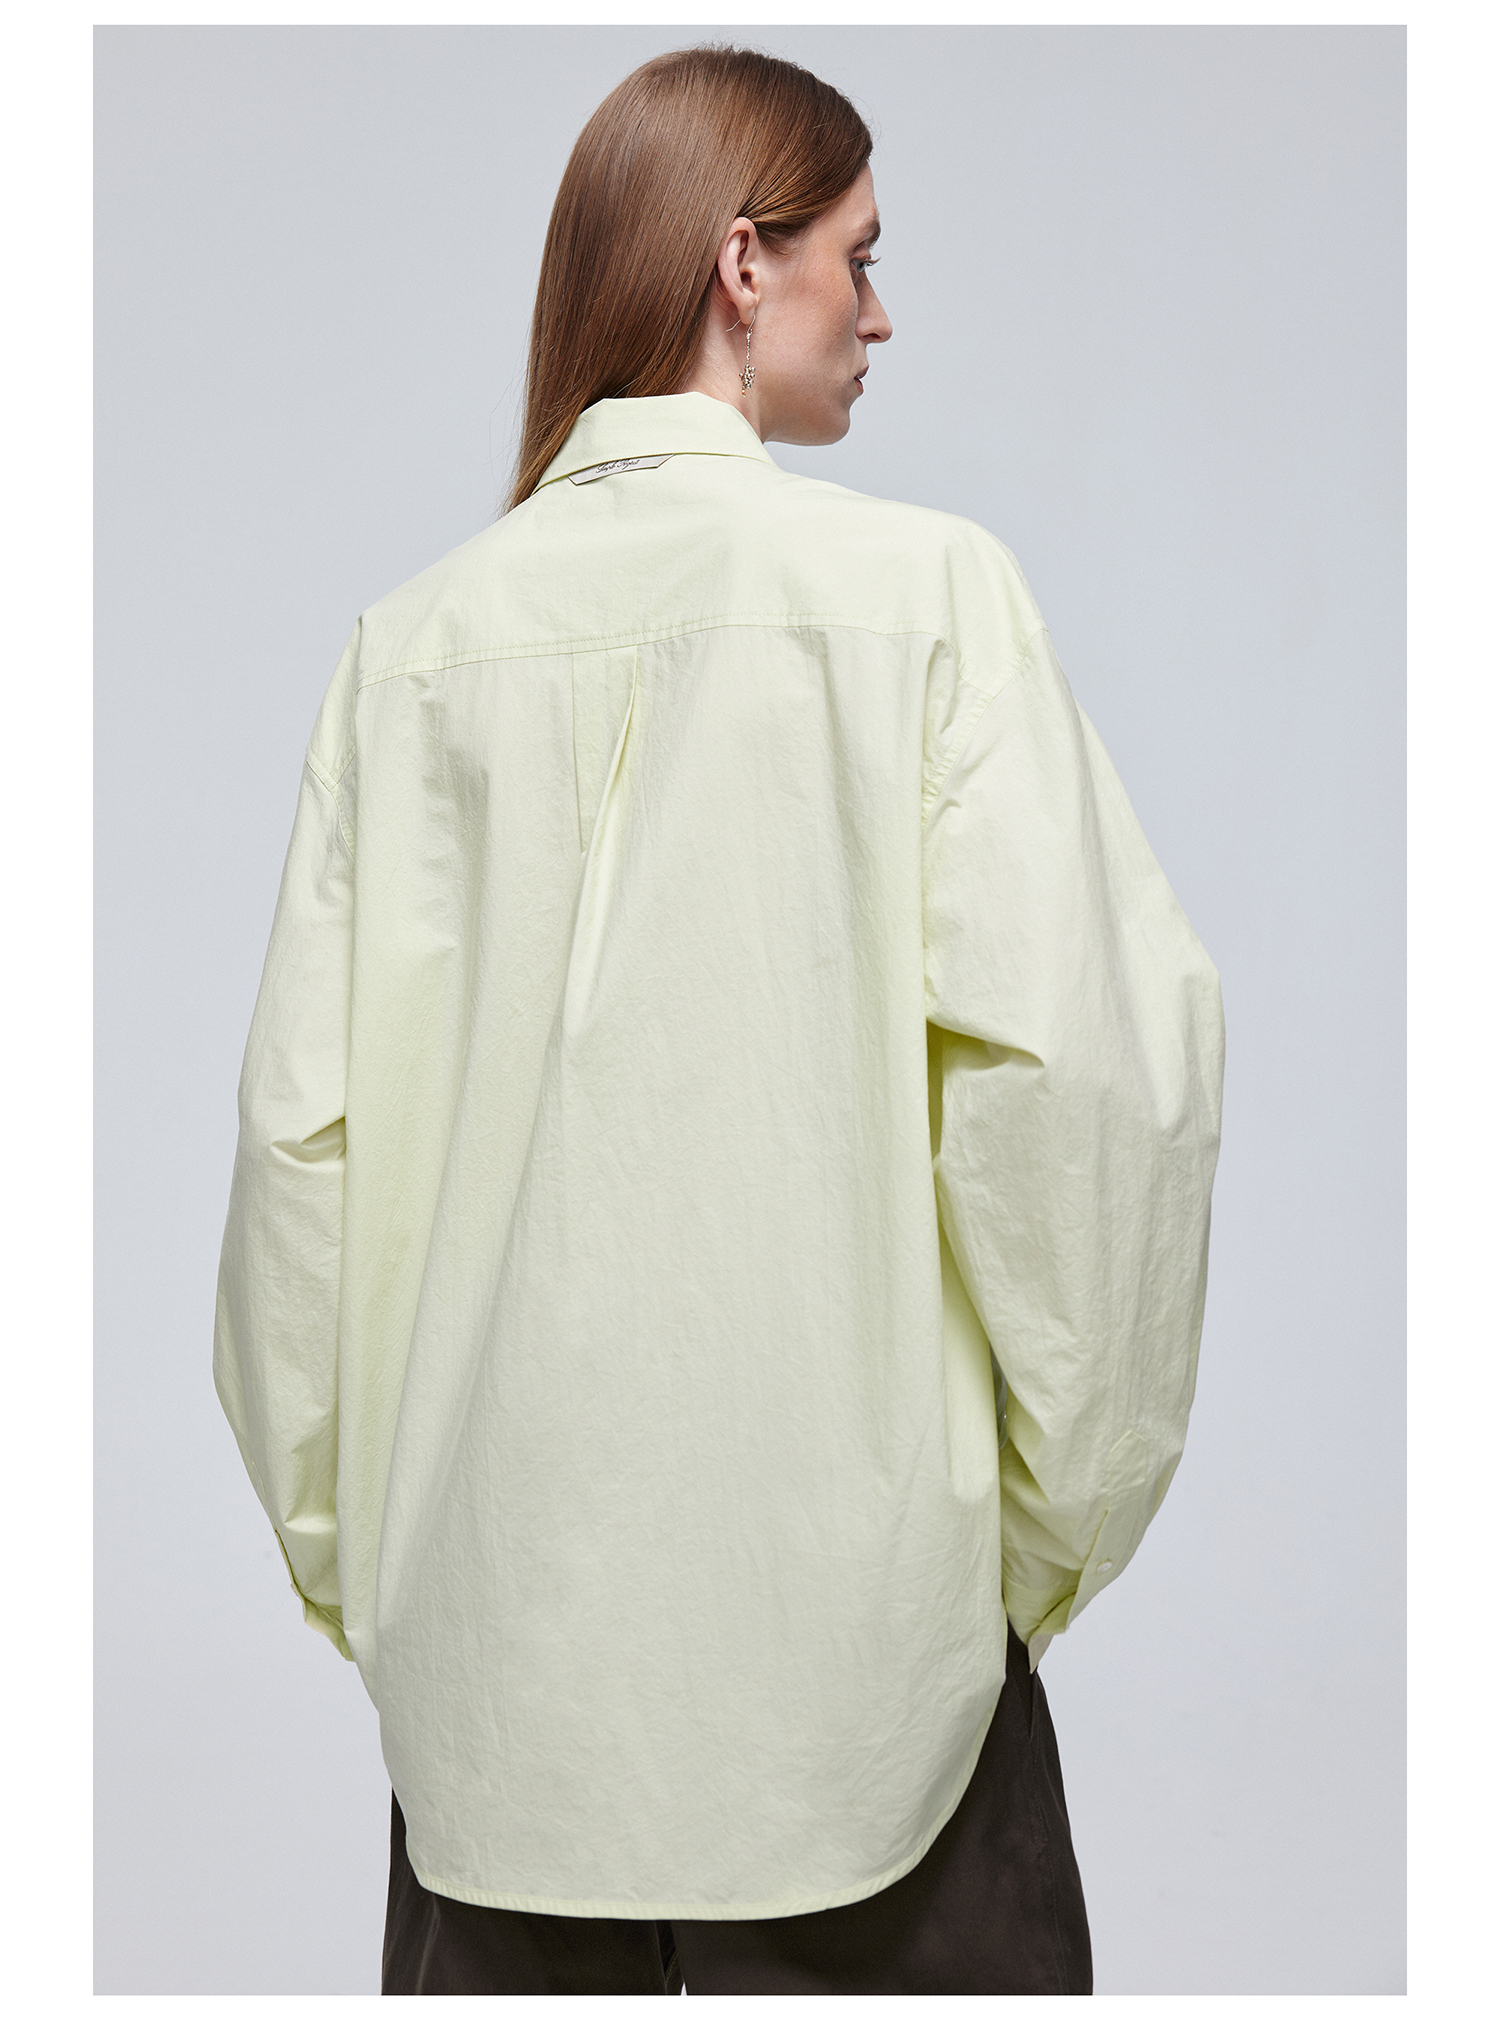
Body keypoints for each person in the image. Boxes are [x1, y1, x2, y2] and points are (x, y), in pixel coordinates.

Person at [214, 44, 1225, 1997]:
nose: (882, 310)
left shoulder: (409, 654)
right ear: (743, 264)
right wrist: (1032, 1550)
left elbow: (298, 1168)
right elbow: (1092, 1095)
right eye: (862, 253)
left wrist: (385, 1585)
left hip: (495, 1719)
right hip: (876, 1704)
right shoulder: (929, 601)